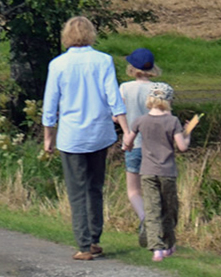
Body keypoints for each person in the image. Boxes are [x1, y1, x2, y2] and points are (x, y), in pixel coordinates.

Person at [41, 16, 129, 260]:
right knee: (95, 187)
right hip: (99, 133)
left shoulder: (58, 65)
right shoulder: (103, 61)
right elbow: (114, 97)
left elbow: (50, 104)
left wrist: (49, 135)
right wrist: (126, 129)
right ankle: (94, 238)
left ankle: (83, 244)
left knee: (77, 190)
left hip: (72, 136)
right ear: (91, 34)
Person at [124, 89, 201, 261]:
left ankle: (156, 248)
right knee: (169, 208)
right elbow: (182, 147)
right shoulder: (173, 121)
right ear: (168, 101)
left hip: (147, 171)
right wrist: (187, 133)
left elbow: (127, 143)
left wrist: (127, 147)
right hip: (167, 172)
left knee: (151, 210)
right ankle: (168, 244)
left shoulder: (140, 121)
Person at [118, 48, 163, 246]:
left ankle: (145, 217)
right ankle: (158, 223)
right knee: (156, 189)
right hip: (158, 148)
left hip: (133, 144)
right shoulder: (161, 88)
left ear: (132, 68)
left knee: (134, 191)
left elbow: (116, 114)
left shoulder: (125, 88)